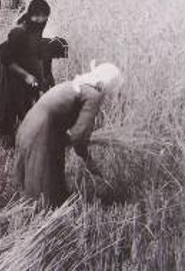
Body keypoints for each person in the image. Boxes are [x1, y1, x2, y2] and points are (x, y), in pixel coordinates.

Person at [14, 61, 124, 208]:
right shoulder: (94, 95)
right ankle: (42, 218)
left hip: (28, 125)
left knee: (38, 178)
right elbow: (79, 136)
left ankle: (28, 209)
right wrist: (88, 160)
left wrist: (66, 139)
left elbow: (61, 118)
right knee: (43, 190)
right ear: (107, 84)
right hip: (42, 131)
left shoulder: (74, 84)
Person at [0, 0, 68, 145]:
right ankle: (5, 141)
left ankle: (27, 135)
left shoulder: (43, 36)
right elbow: (6, 59)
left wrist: (49, 86)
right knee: (9, 101)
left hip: (25, 62)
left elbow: (45, 65)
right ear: (30, 15)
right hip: (9, 65)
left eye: (44, 16)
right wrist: (26, 76)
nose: (41, 19)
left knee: (29, 100)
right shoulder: (19, 32)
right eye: (38, 16)